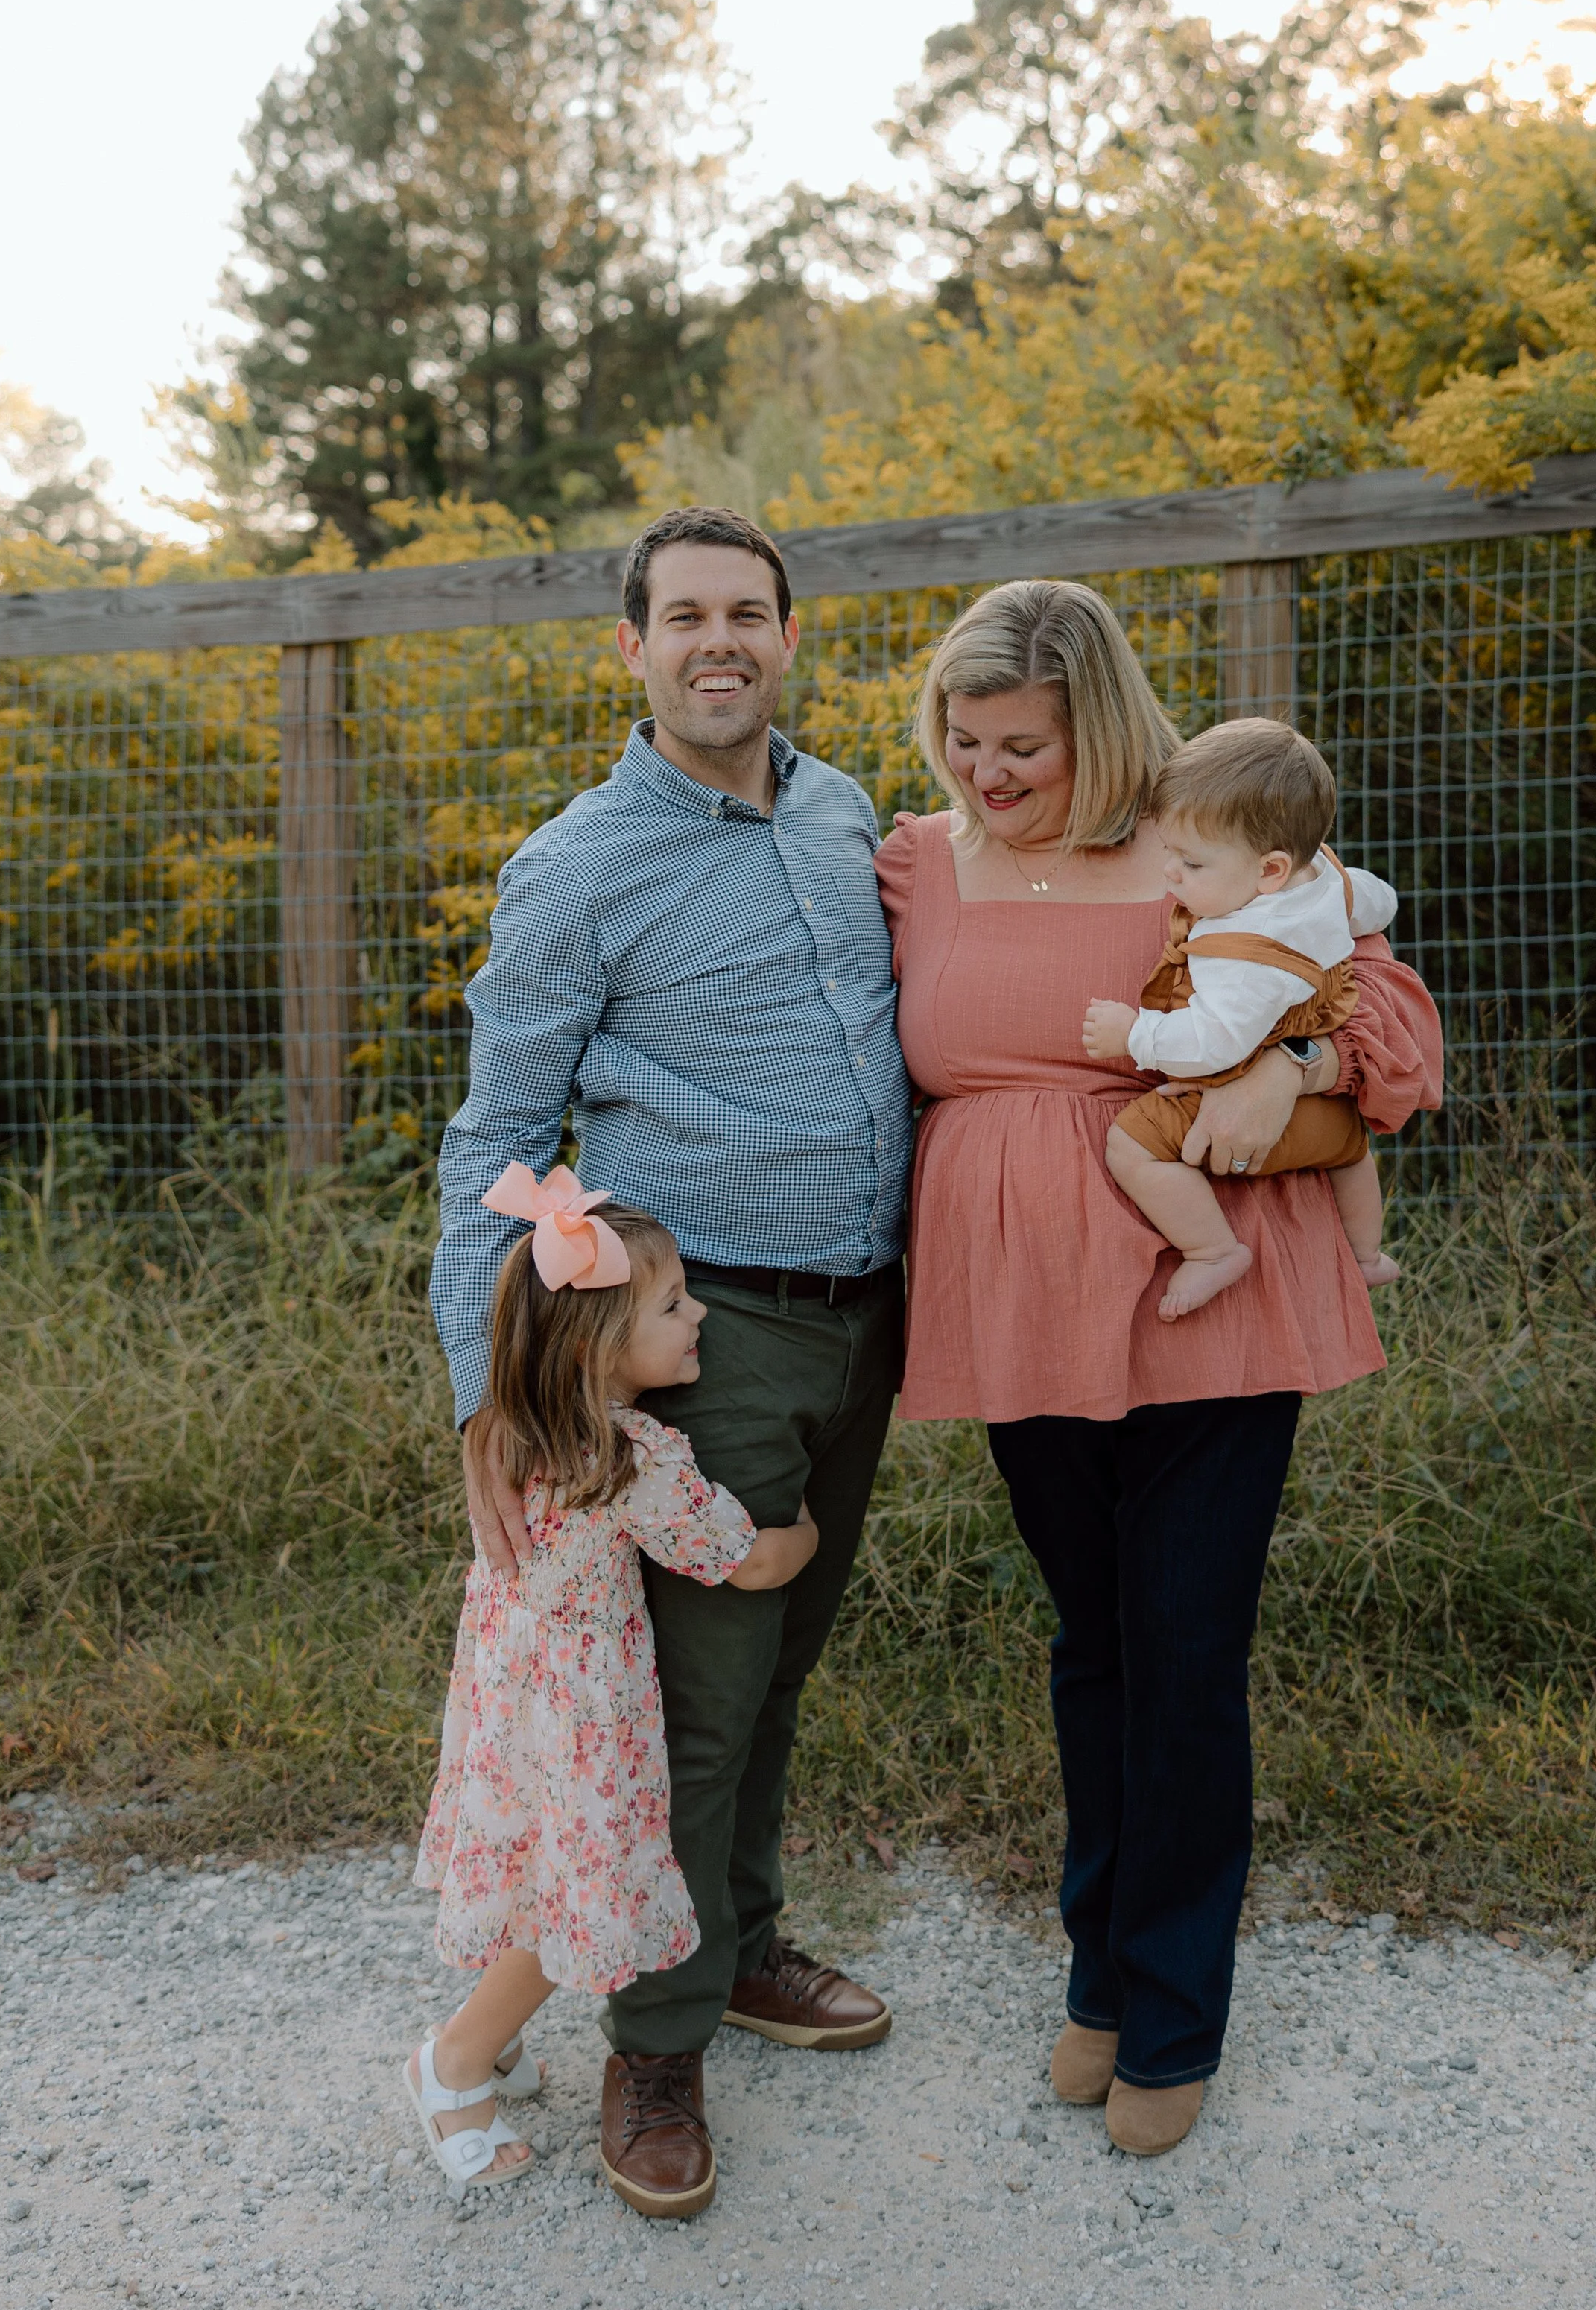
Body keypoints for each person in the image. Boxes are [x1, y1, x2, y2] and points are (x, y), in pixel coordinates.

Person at [874, 579, 1443, 2162]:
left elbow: (1389, 1011)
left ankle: (1173, 2009)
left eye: (1025, 747)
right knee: (1092, 1638)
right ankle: (1101, 1976)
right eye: (963, 741)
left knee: (1183, 1644)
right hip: (1020, 1308)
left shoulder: (1205, 841)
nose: (988, 775)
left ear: (1103, 729)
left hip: (1215, 1302)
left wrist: (1298, 1059)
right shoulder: (915, 867)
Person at [431, 506, 910, 2221]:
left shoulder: (849, 810)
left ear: (790, 636)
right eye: (684, 614)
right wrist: (496, 1392)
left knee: (776, 1666)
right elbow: (496, 1134)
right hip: (707, 1336)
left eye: (750, 612)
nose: (722, 639)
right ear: (627, 648)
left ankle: (743, 1938)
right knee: (690, 1718)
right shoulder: (577, 865)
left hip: (867, 1311)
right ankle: (656, 2043)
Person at [405, 1169, 817, 2209]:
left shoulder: (526, 1432)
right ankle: (452, 2063)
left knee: (543, 1875)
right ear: (600, 1348)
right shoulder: (632, 1459)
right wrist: (807, 1524)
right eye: (674, 1305)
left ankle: (487, 2053)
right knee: (563, 1908)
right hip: (584, 1713)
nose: (702, 1315)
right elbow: (752, 1561)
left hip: (517, 1698)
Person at [1082, 715, 1402, 1320]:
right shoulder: (1327, 878)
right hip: (1332, 1118)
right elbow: (1378, 900)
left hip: (1239, 1109)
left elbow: (1214, 1043)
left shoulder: (1241, 953)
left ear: (1269, 870)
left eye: (1192, 863)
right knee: (1353, 1154)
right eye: (1168, 851)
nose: (1171, 873)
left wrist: (1135, 1033)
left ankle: (1211, 1249)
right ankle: (1365, 1254)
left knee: (1131, 1147)